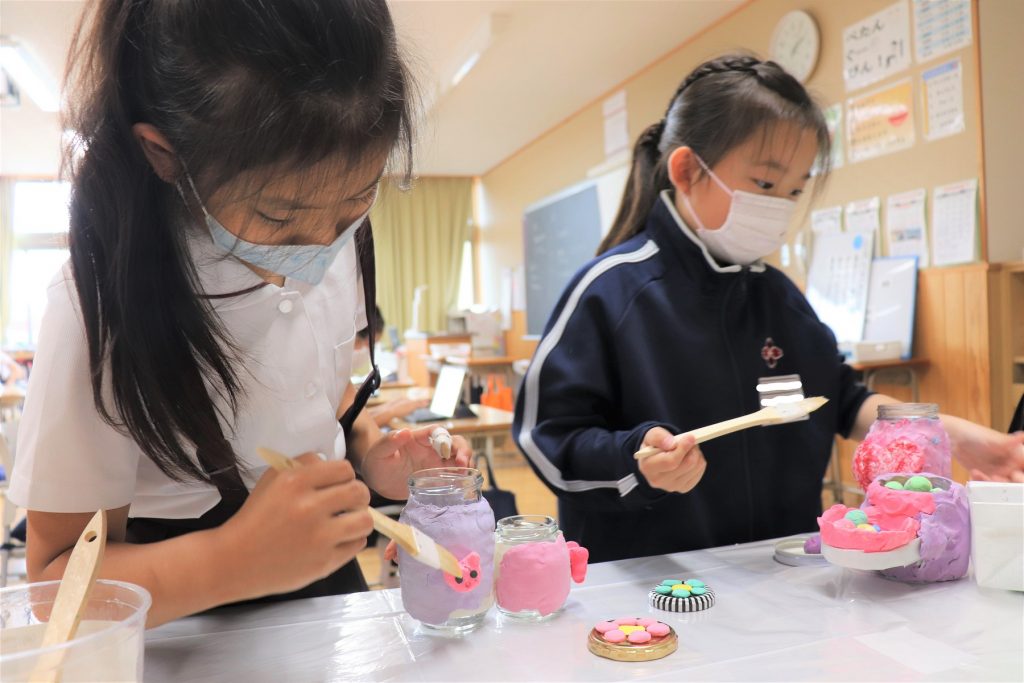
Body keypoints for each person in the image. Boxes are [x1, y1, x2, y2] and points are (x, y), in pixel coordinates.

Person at [9, 0, 470, 628]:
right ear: (163, 153)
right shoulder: (97, 311)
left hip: (328, 593)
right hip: (172, 616)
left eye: (356, 202)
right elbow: (55, 580)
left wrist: (366, 451)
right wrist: (234, 560)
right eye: (279, 219)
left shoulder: (338, 239)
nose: (318, 247)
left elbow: (310, 399)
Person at [513, 54, 1024, 563]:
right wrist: (637, 462)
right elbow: (548, 437)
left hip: (783, 570)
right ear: (688, 170)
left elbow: (838, 400)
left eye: (795, 189)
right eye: (764, 184)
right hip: (654, 586)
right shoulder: (611, 291)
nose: (781, 205)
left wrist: (957, 438)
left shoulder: (777, 295)